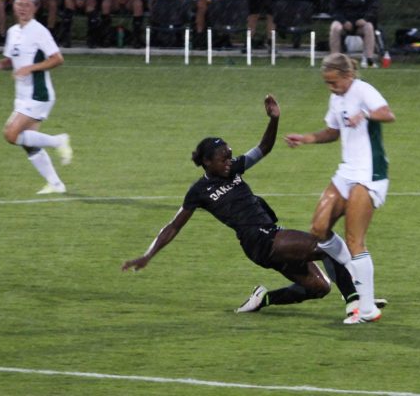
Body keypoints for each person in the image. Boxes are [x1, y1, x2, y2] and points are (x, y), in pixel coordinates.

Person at [122, 95, 371, 317]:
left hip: (270, 237)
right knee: (326, 245)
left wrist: (274, 119)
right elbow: (173, 227)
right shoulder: (198, 191)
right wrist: (148, 254)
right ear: (207, 162)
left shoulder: (233, 169)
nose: (230, 162)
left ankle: (264, 298)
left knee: (319, 288)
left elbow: (264, 148)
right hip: (260, 241)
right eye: (224, 159)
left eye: (230, 156)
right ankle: (357, 303)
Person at [284, 53, 395, 324]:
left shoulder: (363, 89)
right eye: (327, 83)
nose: (330, 88)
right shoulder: (336, 97)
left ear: (348, 75)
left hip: (369, 172)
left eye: (334, 82)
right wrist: (307, 138)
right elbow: (333, 131)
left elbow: (387, 114)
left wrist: (365, 113)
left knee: (355, 238)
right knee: (319, 229)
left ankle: (367, 308)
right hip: (347, 171)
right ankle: (354, 271)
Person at [0, 0, 73, 194]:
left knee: (11, 134)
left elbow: (57, 59)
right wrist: (0, 64)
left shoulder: (39, 31)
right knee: (28, 141)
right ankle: (56, 184)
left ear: (35, 8)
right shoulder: (13, 32)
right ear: (14, 7)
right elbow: (12, 61)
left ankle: (58, 140)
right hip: (22, 95)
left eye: (27, 4)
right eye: (19, 4)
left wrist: (30, 69)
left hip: (39, 94)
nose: (23, 8)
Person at [328, 0, 379, 67]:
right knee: (335, 27)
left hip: (360, 23)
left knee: (369, 27)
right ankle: (335, 59)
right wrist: (343, 21)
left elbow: (373, 7)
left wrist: (365, 19)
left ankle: (368, 58)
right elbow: (333, 9)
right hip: (344, 22)